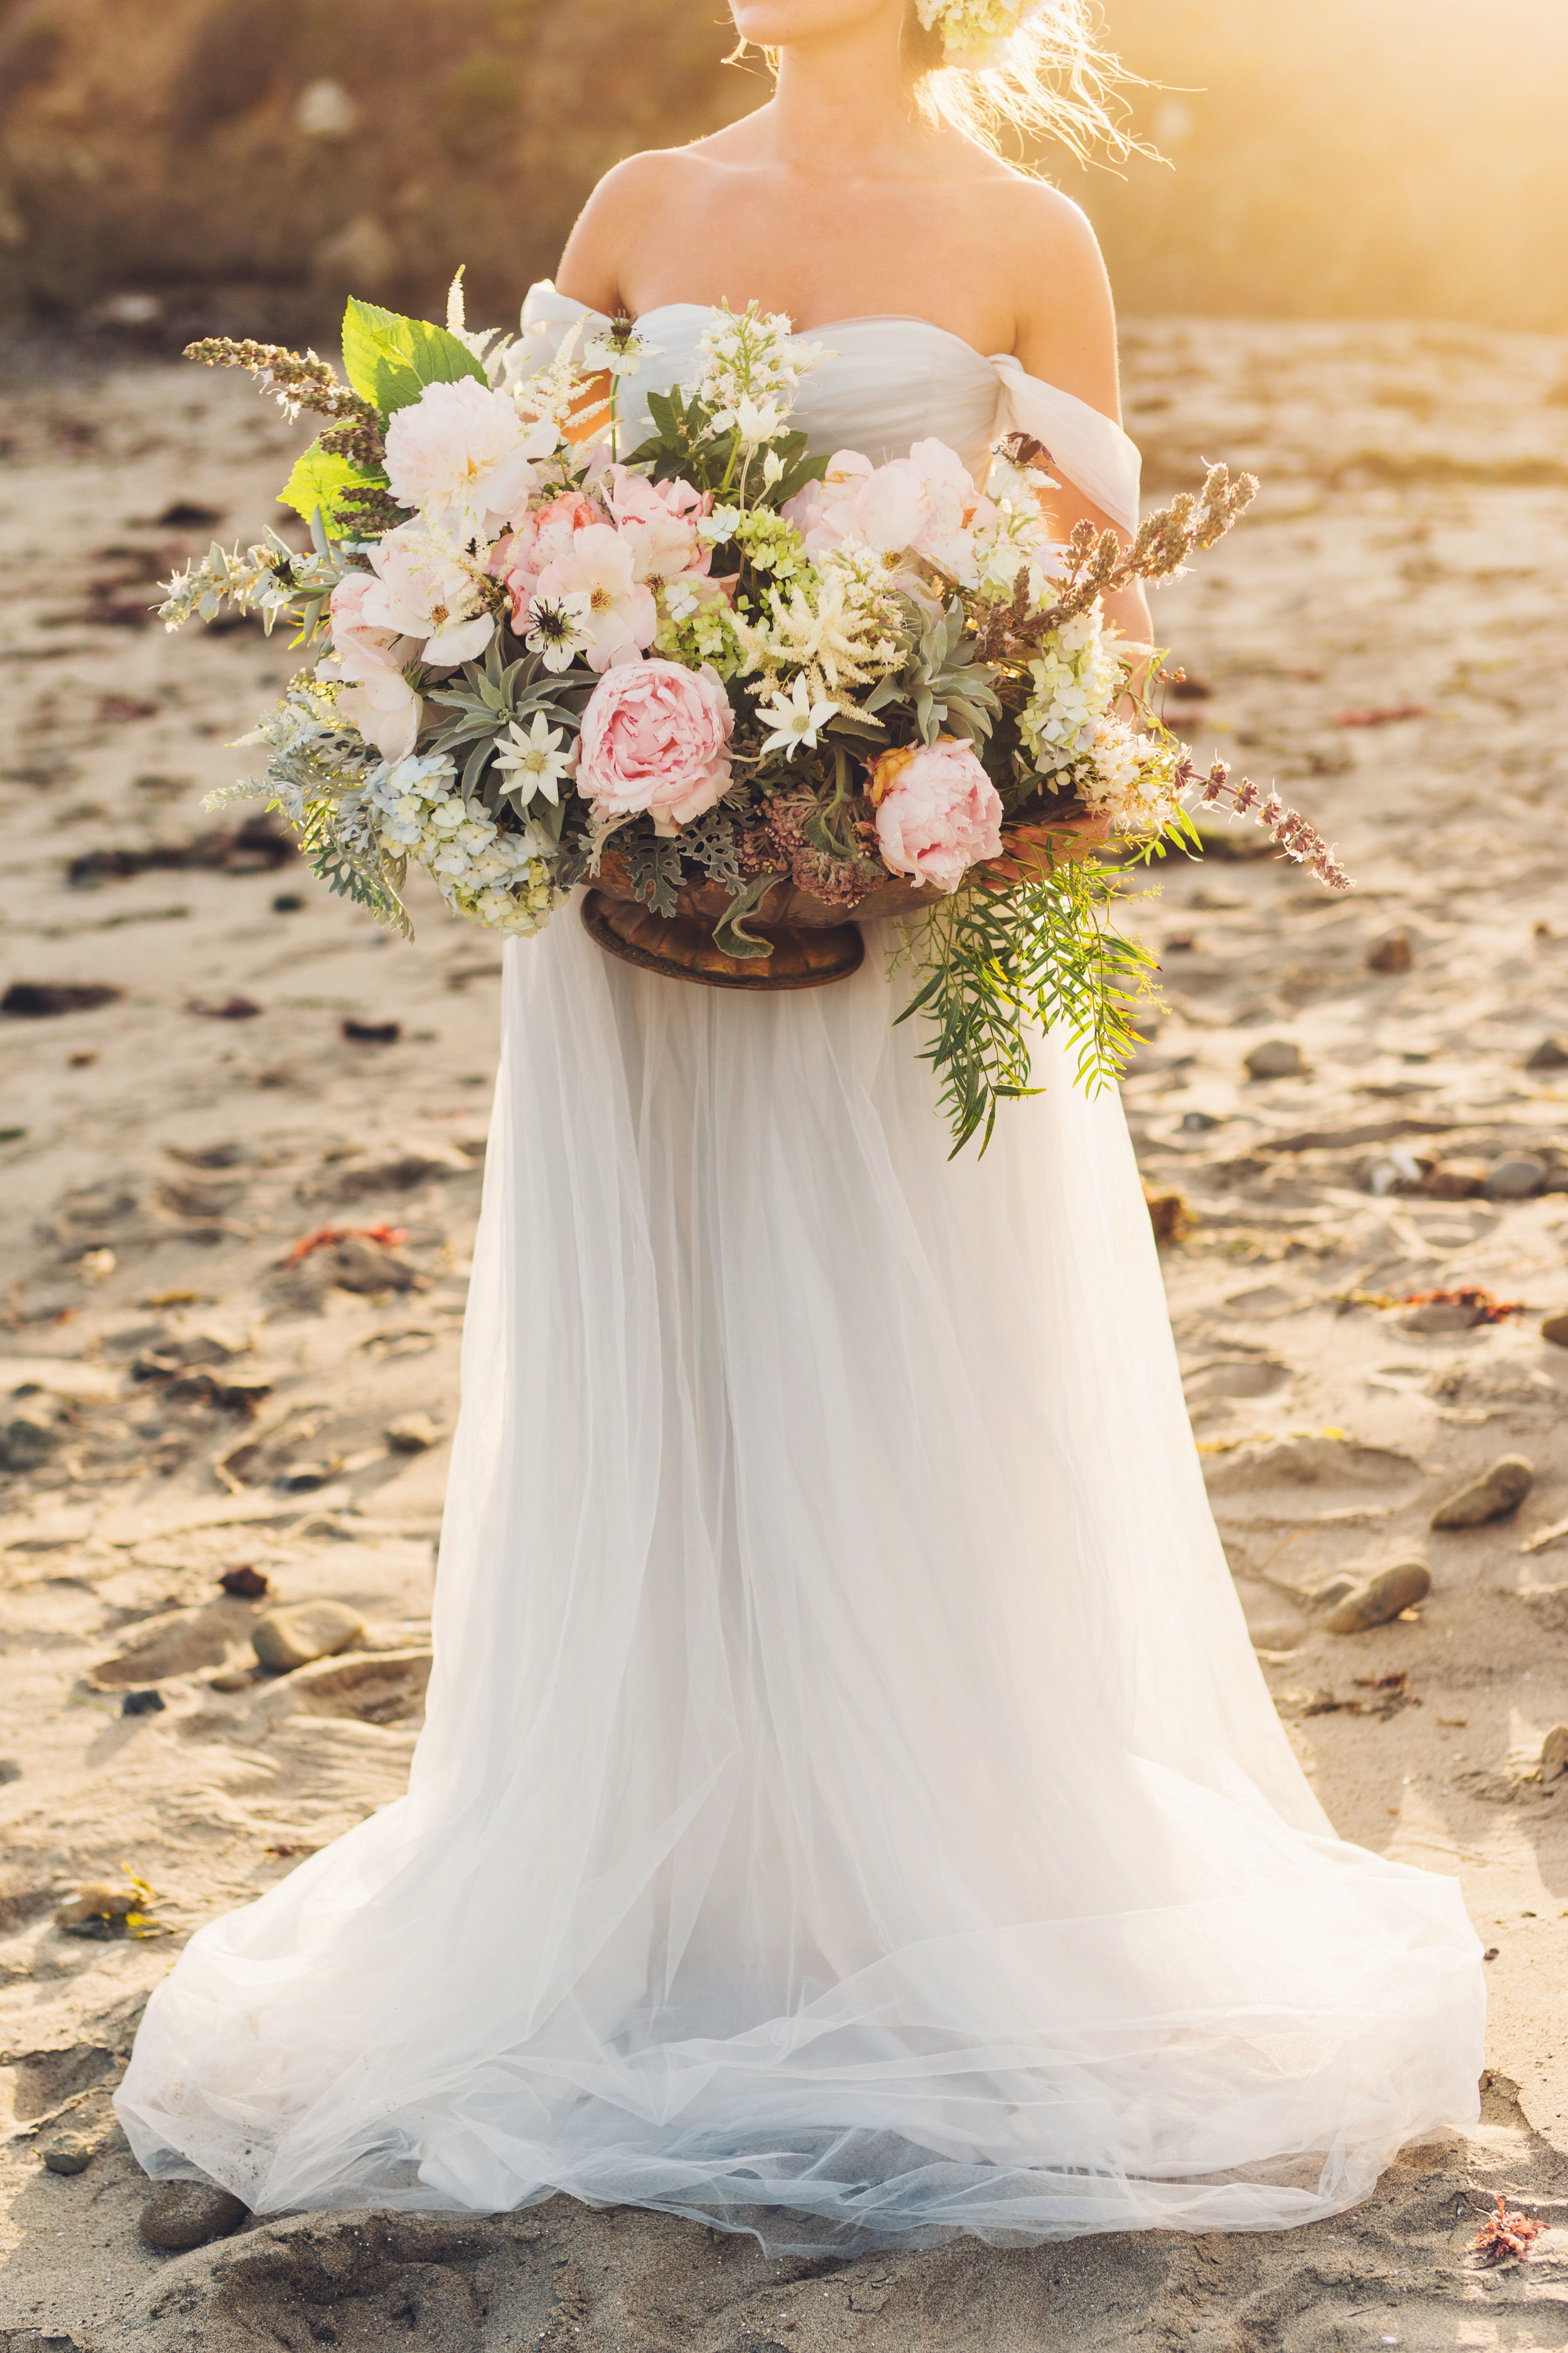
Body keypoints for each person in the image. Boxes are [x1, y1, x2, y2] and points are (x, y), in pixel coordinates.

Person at [116, 0, 1484, 2255]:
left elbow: (1093, 617)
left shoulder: (1032, 233)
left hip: (900, 906)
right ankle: (668, 1885)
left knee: (904, 1365)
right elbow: (503, 521)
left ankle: (905, 1890)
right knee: (662, 1366)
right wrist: (545, 703)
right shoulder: (639, 206)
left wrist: (937, 779)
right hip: (629, 929)